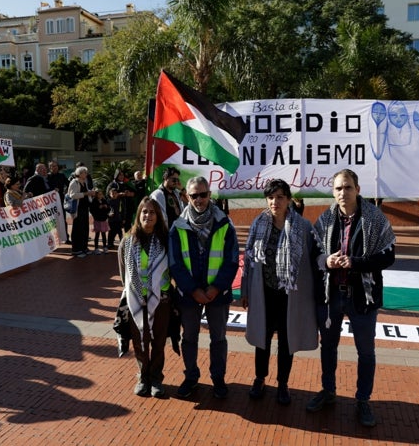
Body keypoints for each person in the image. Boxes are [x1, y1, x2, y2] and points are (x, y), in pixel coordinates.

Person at [308, 169, 396, 428]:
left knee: (366, 352)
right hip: (332, 294)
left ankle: (363, 400)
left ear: (357, 189)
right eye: (337, 188)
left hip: (362, 297)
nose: (342, 193)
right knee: (328, 347)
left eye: (347, 187)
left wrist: (356, 263)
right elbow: (315, 254)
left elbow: (388, 255)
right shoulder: (324, 219)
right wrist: (327, 261)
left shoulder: (376, 218)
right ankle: (328, 390)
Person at [241, 179, 317, 405]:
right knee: (261, 339)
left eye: (280, 197)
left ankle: (283, 383)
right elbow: (248, 259)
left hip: (289, 295)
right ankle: (259, 379)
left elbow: (312, 262)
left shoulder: (303, 226)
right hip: (263, 293)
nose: (275, 202)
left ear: (288, 199)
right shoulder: (258, 223)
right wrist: (245, 290)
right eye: (271, 197)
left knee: (287, 341)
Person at [169, 176, 239, 399]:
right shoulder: (177, 226)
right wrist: (193, 290)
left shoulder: (225, 224)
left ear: (210, 194)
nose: (199, 199)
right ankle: (191, 377)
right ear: (186, 197)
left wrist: (216, 287)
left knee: (218, 338)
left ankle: (218, 378)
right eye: (193, 195)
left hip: (217, 294)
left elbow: (232, 261)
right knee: (189, 338)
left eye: (203, 194)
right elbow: (175, 263)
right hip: (189, 295)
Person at [118, 197, 172, 398]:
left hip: (161, 300)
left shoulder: (166, 240)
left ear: (158, 216)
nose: (148, 216)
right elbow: (124, 274)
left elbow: (173, 269)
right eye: (144, 212)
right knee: (140, 340)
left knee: (158, 341)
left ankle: (156, 378)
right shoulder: (127, 241)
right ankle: (143, 377)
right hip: (136, 300)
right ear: (138, 215)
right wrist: (132, 293)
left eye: (152, 212)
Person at [68, 166, 95, 257]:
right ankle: (76, 249)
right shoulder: (74, 182)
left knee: (84, 228)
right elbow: (72, 195)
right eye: (84, 172)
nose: (86, 174)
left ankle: (84, 247)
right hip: (77, 209)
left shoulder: (85, 182)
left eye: (86, 172)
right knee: (77, 229)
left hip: (84, 208)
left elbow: (86, 193)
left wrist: (91, 193)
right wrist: (86, 193)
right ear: (79, 174)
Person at [47, 160, 71, 244]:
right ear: (49, 168)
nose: (54, 167)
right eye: (52, 166)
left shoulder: (62, 175)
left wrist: (66, 191)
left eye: (55, 166)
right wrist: (52, 190)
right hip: (50, 203)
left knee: (63, 219)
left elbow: (69, 184)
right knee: (52, 221)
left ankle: (66, 237)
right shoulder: (47, 177)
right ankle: (54, 238)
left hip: (60, 201)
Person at [89, 189, 111, 254]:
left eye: (101, 194)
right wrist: (99, 207)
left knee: (104, 234)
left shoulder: (104, 200)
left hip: (103, 219)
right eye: (99, 194)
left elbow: (108, 208)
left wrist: (106, 207)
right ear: (96, 195)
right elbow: (92, 210)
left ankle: (104, 247)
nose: (100, 195)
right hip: (97, 220)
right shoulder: (94, 201)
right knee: (97, 234)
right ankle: (96, 248)